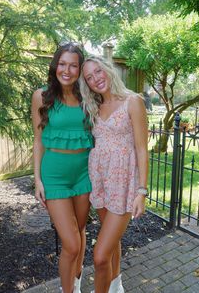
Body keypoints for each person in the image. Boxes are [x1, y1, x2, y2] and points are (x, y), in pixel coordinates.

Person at [79, 56, 149, 293]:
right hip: (100, 181)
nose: (95, 79)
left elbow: (141, 148)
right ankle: (116, 284)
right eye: (89, 77)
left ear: (108, 69)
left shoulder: (133, 101)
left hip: (123, 184)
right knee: (111, 243)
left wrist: (142, 191)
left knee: (99, 256)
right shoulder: (94, 106)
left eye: (98, 71)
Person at [31, 43, 93, 293]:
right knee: (71, 243)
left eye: (73, 65)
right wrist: (38, 180)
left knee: (80, 231)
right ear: (55, 65)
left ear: (79, 69)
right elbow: (37, 140)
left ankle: (75, 284)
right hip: (55, 175)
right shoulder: (42, 96)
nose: (66, 70)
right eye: (63, 64)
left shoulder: (88, 97)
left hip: (84, 172)